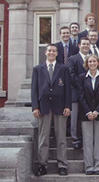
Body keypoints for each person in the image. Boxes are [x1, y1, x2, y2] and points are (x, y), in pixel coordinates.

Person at [31, 44, 71, 176]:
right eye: (49, 50)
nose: (51, 53)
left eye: (54, 51)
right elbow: (34, 89)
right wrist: (35, 106)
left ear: (57, 53)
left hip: (60, 106)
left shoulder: (64, 68)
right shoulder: (38, 69)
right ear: (45, 52)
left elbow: (68, 89)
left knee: (61, 137)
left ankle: (62, 165)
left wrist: (67, 106)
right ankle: (42, 164)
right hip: (43, 107)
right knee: (43, 137)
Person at [78, 54, 99, 175]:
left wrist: (97, 111)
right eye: (90, 61)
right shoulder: (81, 78)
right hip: (86, 114)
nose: (92, 63)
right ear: (87, 64)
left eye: (94, 61)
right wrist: (88, 111)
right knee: (87, 141)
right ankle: (89, 166)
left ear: (98, 63)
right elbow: (81, 96)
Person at [67, 37, 91, 149]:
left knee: (85, 116)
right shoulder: (73, 59)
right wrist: (82, 85)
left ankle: (86, 138)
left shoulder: (92, 59)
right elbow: (71, 75)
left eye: (87, 44)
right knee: (75, 117)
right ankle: (75, 139)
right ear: (79, 45)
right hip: (76, 93)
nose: (86, 46)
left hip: (89, 94)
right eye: (84, 44)